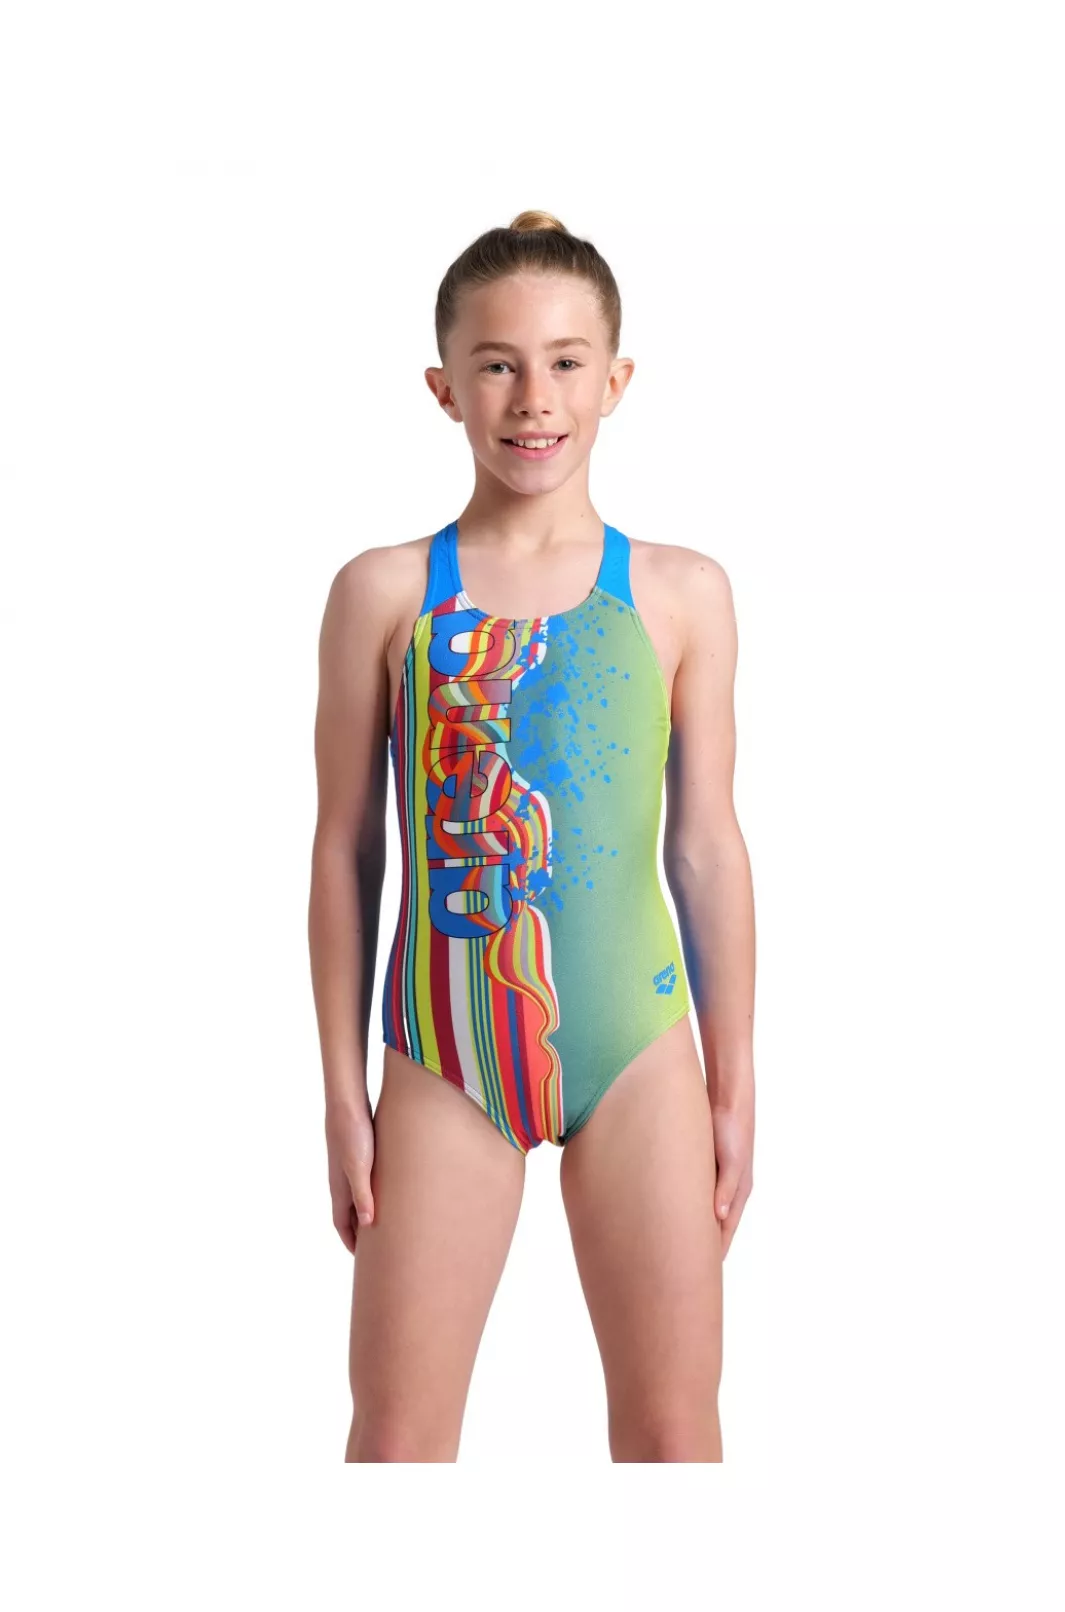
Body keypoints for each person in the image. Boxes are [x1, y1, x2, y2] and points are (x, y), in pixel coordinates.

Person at [309, 210, 756, 1463]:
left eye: (565, 362)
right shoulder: (385, 592)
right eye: (496, 364)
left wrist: (733, 1077)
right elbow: (344, 849)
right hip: (444, 1053)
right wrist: (340, 1090)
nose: (532, 398)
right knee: (398, 1442)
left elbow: (705, 847)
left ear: (615, 379)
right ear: (443, 386)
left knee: (672, 1437)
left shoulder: (678, 592)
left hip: (638, 1051)